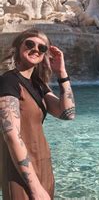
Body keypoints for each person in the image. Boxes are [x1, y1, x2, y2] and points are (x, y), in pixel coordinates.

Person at [0, 29, 76, 200]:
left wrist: (62, 73)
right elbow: (11, 135)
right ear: (18, 47)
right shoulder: (9, 81)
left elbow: (67, 113)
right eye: (29, 44)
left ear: (44, 55)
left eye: (42, 48)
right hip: (21, 170)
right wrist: (34, 186)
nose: (36, 49)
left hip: (43, 162)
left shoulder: (38, 85)